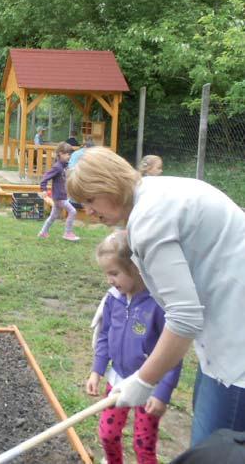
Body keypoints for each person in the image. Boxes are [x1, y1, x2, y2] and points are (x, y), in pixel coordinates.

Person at [67, 147, 245, 445]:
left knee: (214, 450)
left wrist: (144, 379)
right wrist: (112, 295)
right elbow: (166, 274)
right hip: (222, 338)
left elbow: (185, 317)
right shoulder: (155, 193)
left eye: (89, 200)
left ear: (108, 186)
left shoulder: (150, 219)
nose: (89, 212)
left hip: (236, 350)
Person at [86, 231, 181, 464]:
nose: (109, 280)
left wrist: (162, 393)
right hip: (117, 380)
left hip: (149, 385)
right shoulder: (112, 299)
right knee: (107, 435)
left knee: (143, 445)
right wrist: (97, 370)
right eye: (106, 274)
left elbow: (172, 355)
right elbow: (104, 336)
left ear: (136, 268)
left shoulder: (157, 305)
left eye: (114, 273)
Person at [38, 142, 79, 241]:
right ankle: (68, 233)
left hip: (60, 197)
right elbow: (45, 178)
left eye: (70, 154)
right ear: (61, 153)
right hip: (59, 197)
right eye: (68, 154)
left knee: (53, 216)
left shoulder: (64, 166)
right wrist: (43, 189)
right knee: (73, 211)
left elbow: (67, 175)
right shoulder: (57, 167)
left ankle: (43, 232)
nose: (69, 156)